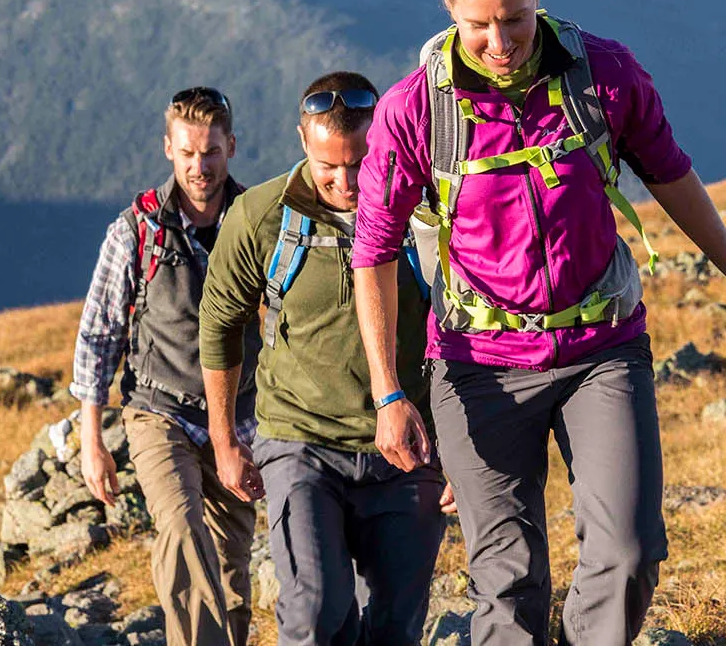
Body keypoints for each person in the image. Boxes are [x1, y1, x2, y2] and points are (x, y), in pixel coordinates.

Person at [352, 0, 726, 646]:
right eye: (479, 25)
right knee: (507, 582)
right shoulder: (414, 110)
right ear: (451, 12)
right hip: (477, 367)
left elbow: (670, 174)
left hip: (602, 350)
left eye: (515, 19)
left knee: (630, 554)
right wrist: (390, 391)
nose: (501, 41)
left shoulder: (603, 74)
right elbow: (374, 252)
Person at [198, 71, 449, 646]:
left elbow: (463, 327)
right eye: (327, 165)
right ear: (302, 142)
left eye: (360, 162)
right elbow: (220, 326)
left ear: (384, 139)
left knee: (394, 626)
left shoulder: (427, 213)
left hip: (409, 450)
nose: (345, 181)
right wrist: (223, 439)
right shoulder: (261, 219)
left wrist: (458, 450)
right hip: (299, 442)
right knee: (314, 612)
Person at [70, 87, 259, 646]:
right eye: (187, 153)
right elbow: (98, 333)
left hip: (241, 421)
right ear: (168, 150)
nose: (199, 167)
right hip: (158, 412)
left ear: (231, 146)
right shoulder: (135, 231)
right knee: (180, 529)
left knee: (231, 567)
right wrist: (91, 439)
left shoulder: (258, 224)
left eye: (212, 152)